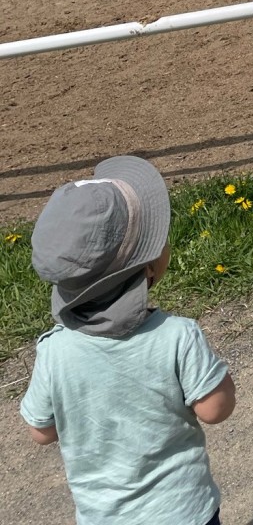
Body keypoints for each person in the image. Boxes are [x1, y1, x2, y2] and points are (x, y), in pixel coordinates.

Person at [19, 155, 235, 525]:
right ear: (149, 267)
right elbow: (215, 410)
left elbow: (42, 431)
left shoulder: (54, 350)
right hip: (184, 513)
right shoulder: (177, 336)